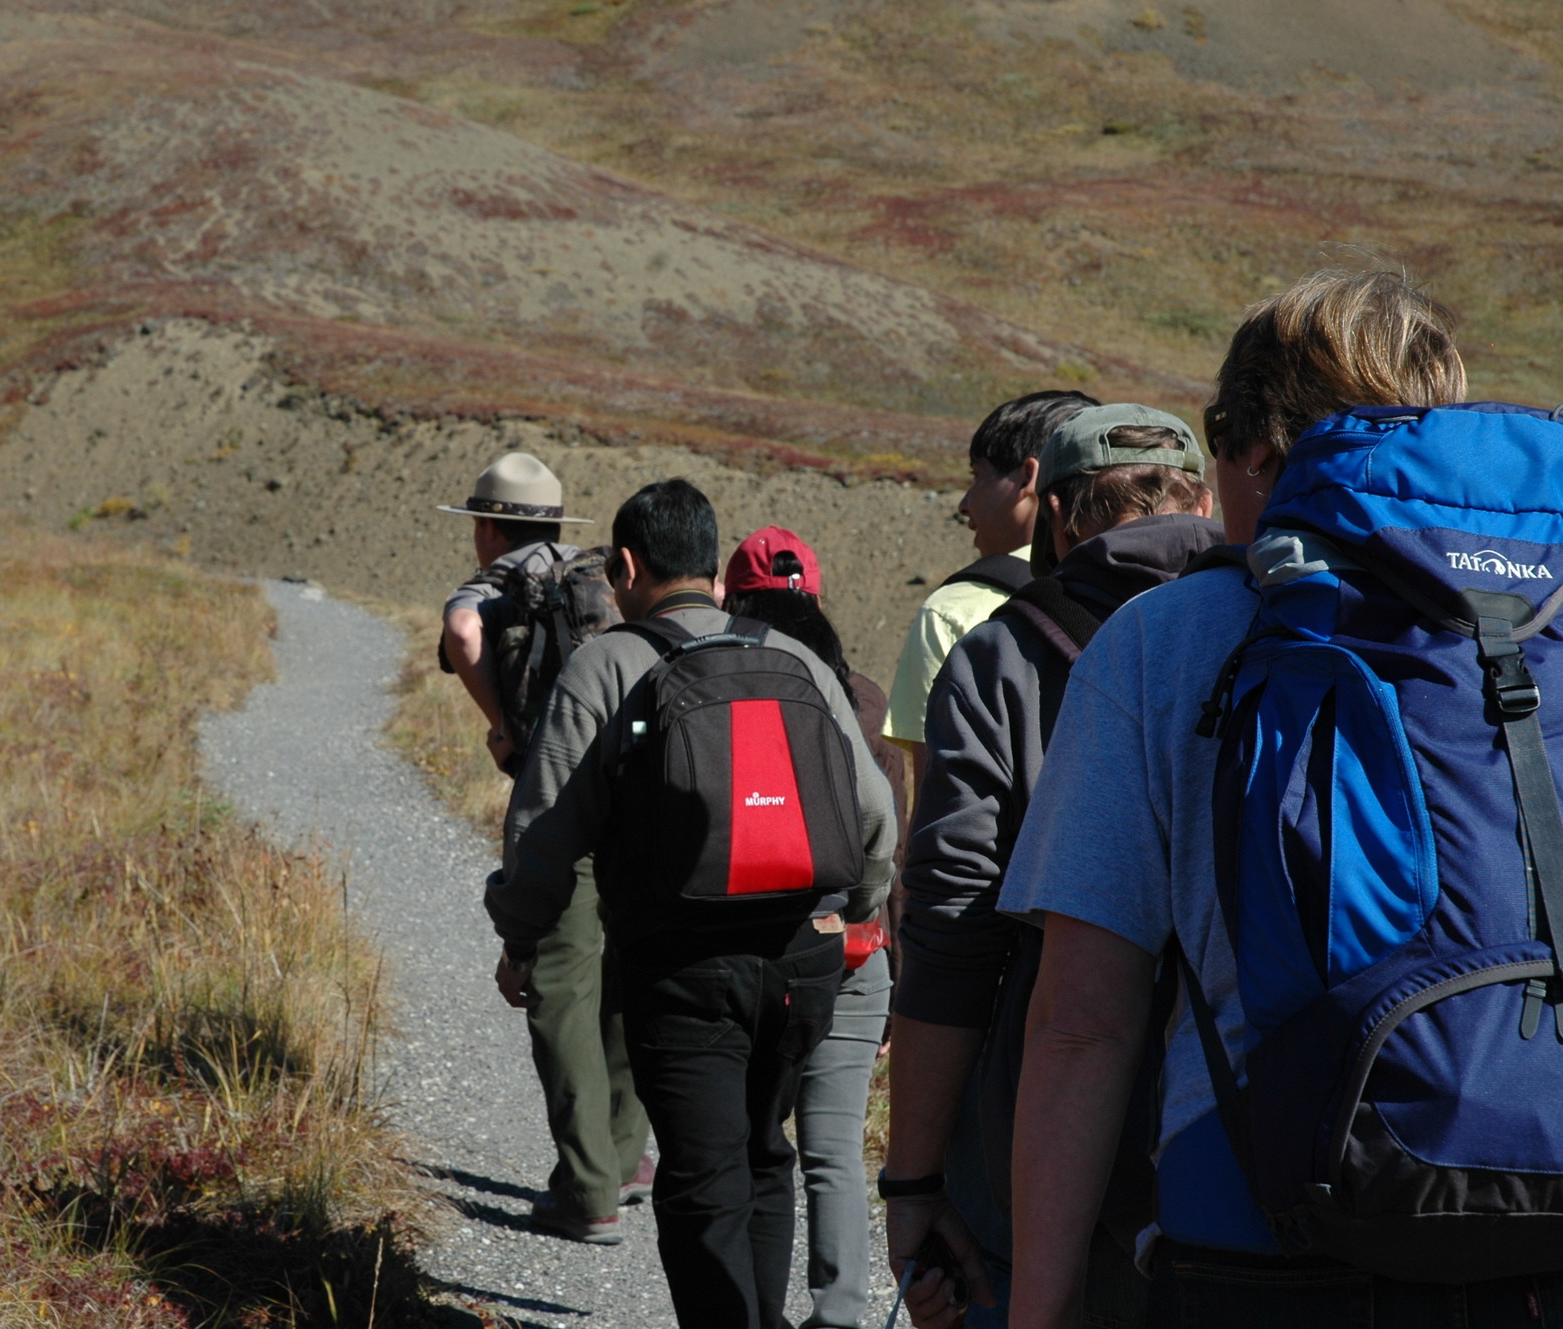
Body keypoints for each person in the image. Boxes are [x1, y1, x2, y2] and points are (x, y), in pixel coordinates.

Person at [997, 270, 1563, 1327]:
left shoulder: (1165, 640)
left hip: (1270, 1232)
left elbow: (1082, 1023)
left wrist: (1039, 1307)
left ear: (1259, 450)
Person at [485, 480, 898, 1328]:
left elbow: (542, 828)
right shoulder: (797, 658)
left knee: (699, 1173)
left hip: (680, 963)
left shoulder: (608, 661)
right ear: (714, 571)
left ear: (628, 566)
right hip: (802, 958)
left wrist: (522, 937)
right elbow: (873, 816)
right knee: (762, 1153)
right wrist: (851, 910)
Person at [880, 405, 1220, 1329]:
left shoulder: (1005, 658)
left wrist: (911, 1178)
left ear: (1060, 518)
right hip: (1251, 1143)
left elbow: (951, 933)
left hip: (1046, 1140)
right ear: (1202, 499)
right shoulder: (1281, 624)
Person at [437, 452, 652, 1243]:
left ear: (488, 528)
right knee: (622, 973)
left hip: (557, 790)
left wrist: (500, 723)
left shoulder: (494, 585)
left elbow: (463, 633)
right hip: (634, 795)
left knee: (557, 982)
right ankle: (626, 1155)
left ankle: (587, 1189)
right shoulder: (600, 575)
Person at [722, 526, 909, 1329]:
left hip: (748, 955)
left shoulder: (719, 685)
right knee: (832, 1151)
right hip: (855, 954)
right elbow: (889, 836)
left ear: (731, 599)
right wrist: (884, 958)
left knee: (749, 1146)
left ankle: (744, 1307)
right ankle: (837, 1314)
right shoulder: (864, 698)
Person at [883, 391, 1098, 794]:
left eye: (977, 474)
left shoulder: (951, 612)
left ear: (1027, 477)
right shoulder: (1161, 596)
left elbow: (937, 794)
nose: (965, 503)